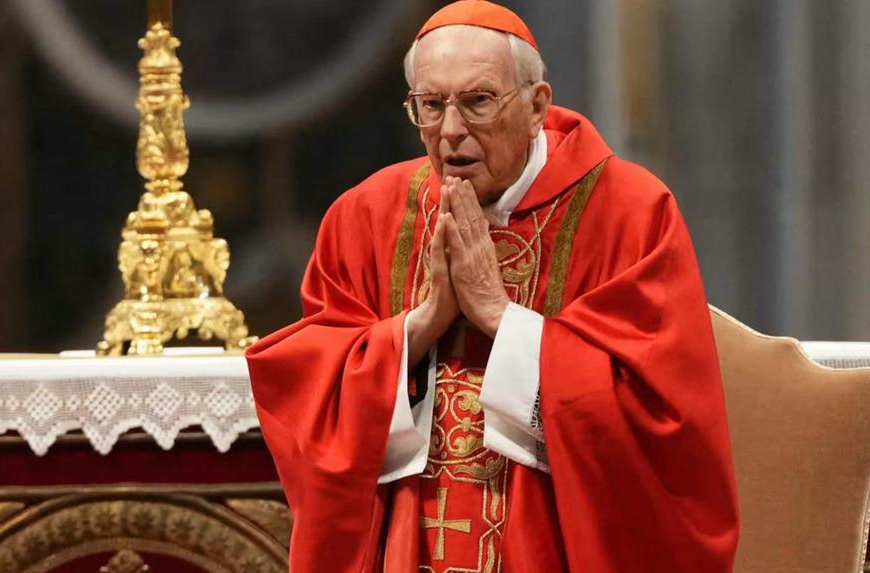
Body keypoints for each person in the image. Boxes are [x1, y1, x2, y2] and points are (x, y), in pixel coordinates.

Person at [246, 1, 739, 571]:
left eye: (478, 101)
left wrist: (500, 318)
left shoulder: (629, 213)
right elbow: (312, 390)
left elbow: (663, 420)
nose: (451, 131)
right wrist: (420, 326)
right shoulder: (366, 217)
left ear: (536, 107)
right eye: (431, 106)